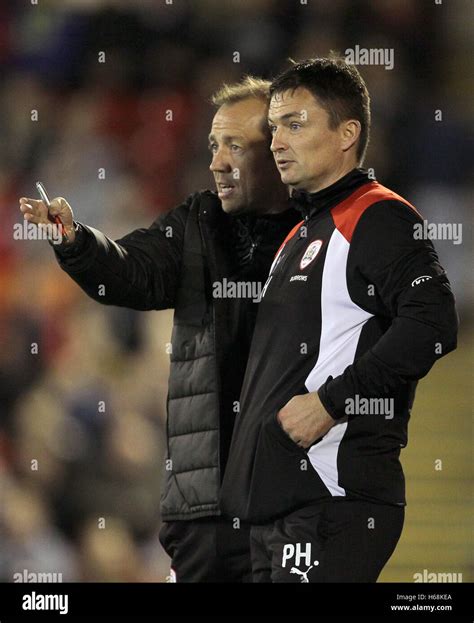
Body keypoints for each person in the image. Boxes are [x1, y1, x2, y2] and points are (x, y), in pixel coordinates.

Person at [18, 77, 300, 582]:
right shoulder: (196, 223)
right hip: (202, 505)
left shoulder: (326, 232)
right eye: (213, 145)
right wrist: (77, 241)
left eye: (234, 145)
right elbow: (130, 271)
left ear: (280, 149)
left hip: (293, 503)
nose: (216, 161)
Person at [220, 58, 458, 583]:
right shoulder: (302, 233)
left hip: (330, 498)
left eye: (295, 124)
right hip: (276, 510)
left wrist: (330, 403)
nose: (277, 141)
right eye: (274, 127)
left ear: (347, 133)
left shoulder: (377, 216)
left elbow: (434, 325)